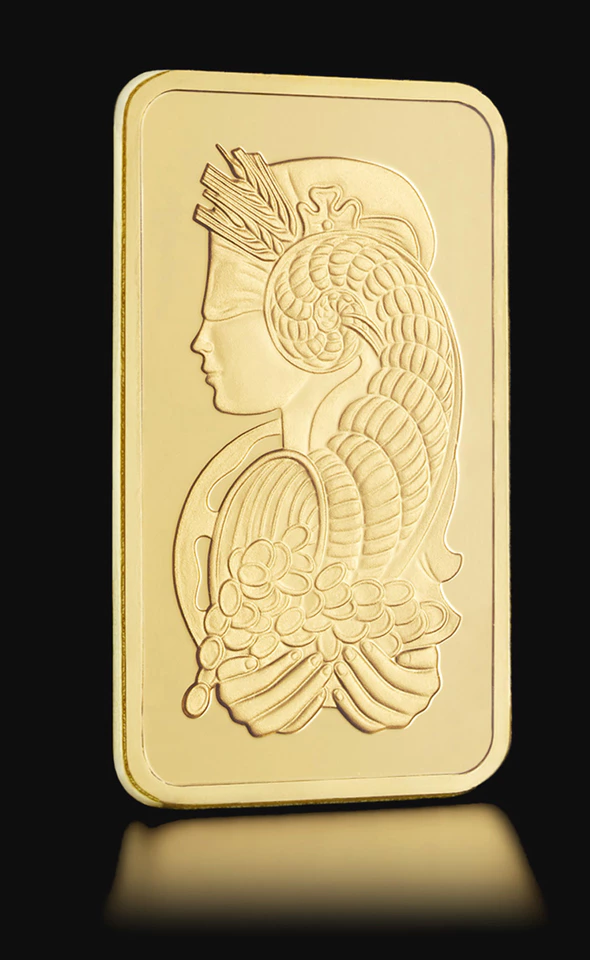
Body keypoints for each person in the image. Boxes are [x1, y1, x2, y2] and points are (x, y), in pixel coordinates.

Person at [175, 146, 463, 736]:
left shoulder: (300, 501)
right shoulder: (271, 496)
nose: (199, 339)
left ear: (319, 325)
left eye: (224, 313)